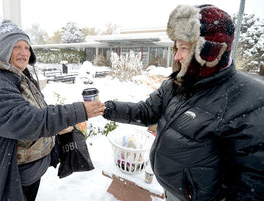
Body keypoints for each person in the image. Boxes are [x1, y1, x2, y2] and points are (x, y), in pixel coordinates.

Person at [103, 4, 264, 201]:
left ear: (209, 51)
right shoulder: (178, 82)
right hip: (171, 192)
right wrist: (106, 108)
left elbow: (251, 186)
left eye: (184, 48)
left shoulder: (250, 101)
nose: (177, 56)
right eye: (176, 47)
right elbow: (146, 111)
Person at [0, 19, 105, 201]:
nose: (24, 53)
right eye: (17, 47)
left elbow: (37, 109)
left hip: (24, 180)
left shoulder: (19, 77)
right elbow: (27, 121)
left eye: (27, 47)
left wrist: (63, 125)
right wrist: (78, 111)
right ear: (2, 49)